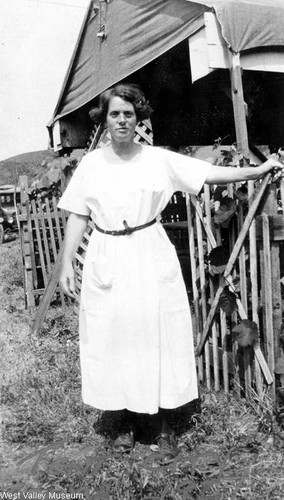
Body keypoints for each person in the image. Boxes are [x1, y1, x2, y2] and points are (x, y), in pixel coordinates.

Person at [58, 83, 283, 463]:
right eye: (115, 113)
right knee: (115, 335)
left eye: (129, 113)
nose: (122, 120)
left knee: (155, 333)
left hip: (149, 251)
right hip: (107, 255)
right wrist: (67, 262)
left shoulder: (157, 159)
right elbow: (79, 214)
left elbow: (208, 173)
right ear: (105, 118)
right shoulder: (92, 165)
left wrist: (259, 169)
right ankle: (125, 420)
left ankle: (162, 426)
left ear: (139, 117)